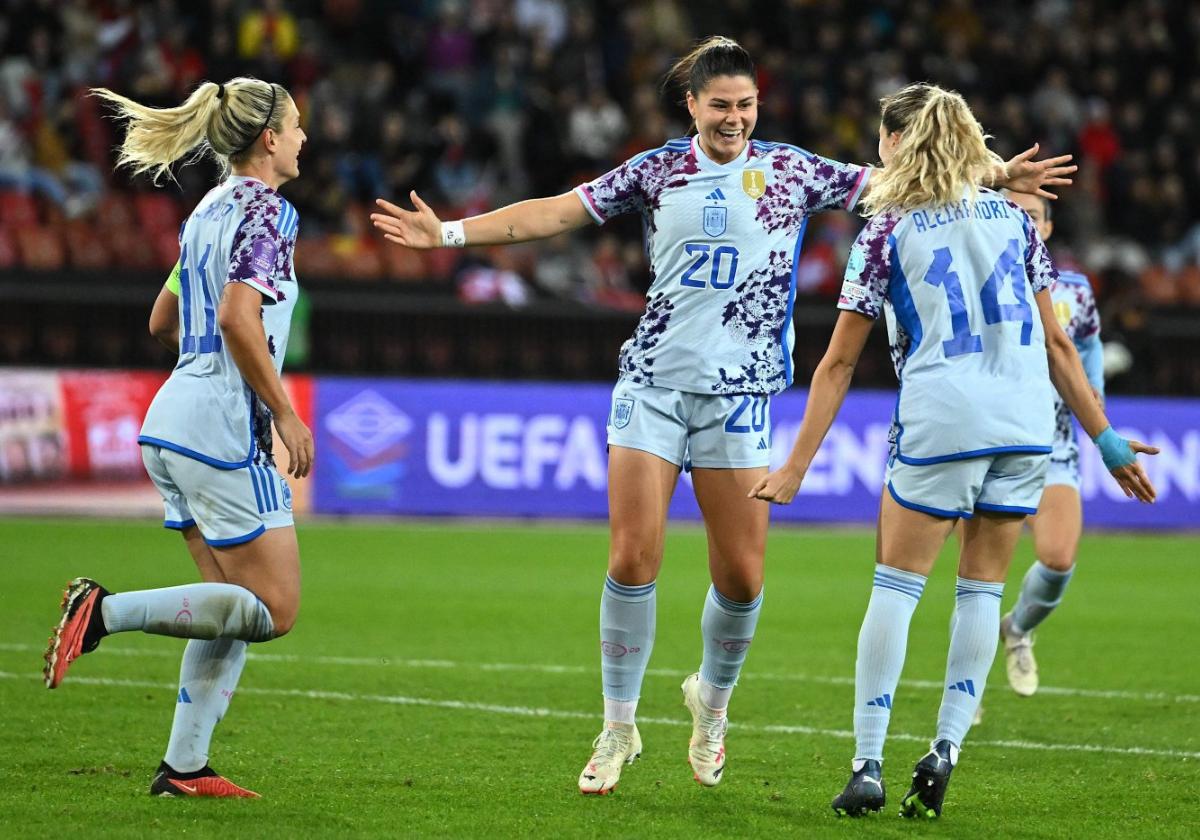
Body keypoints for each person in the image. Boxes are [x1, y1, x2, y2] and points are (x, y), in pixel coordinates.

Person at [372, 38, 1073, 796]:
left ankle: (712, 703)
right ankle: (617, 726)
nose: (734, 118)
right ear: (692, 107)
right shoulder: (656, 169)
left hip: (741, 393)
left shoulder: (793, 171)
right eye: (720, 106)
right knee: (631, 557)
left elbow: (905, 179)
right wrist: (447, 233)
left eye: (746, 105)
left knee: (740, 578)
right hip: (654, 383)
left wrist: (996, 173)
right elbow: (554, 214)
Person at [749, 83, 1156, 819]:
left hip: (943, 421)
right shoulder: (1015, 221)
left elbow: (839, 363)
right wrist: (1105, 439)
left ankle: (868, 762)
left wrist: (796, 464)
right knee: (981, 591)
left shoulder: (886, 229)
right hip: (1026, 423)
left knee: (896, 588)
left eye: (882, 137)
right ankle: (945, 749)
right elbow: (1060, 344)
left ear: (897, 142)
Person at [43, 77, 312, 799]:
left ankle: (184, 768)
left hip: (171, 422)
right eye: (295, 127)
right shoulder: (269, 212)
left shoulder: (205, 213)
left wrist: (202, 378)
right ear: (268, 139)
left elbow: (165, 321)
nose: (303, 139)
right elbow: (236, 316)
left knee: (226, 603)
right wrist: (282, 410)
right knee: (275, 608)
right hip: (223, 429)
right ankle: (104, 611)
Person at [997, 191, 1103, 697]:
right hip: (989, 438)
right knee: (975, 575)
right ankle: (963, 689)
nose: (1025, 223)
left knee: (1059, 559)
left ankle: (1016, 630)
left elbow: (1086, 344)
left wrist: (1096, 399)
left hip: (1054, 443)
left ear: (1048, 227)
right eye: (1015, 213)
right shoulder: (982, 276)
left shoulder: (1076, 291)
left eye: (1033, 216)